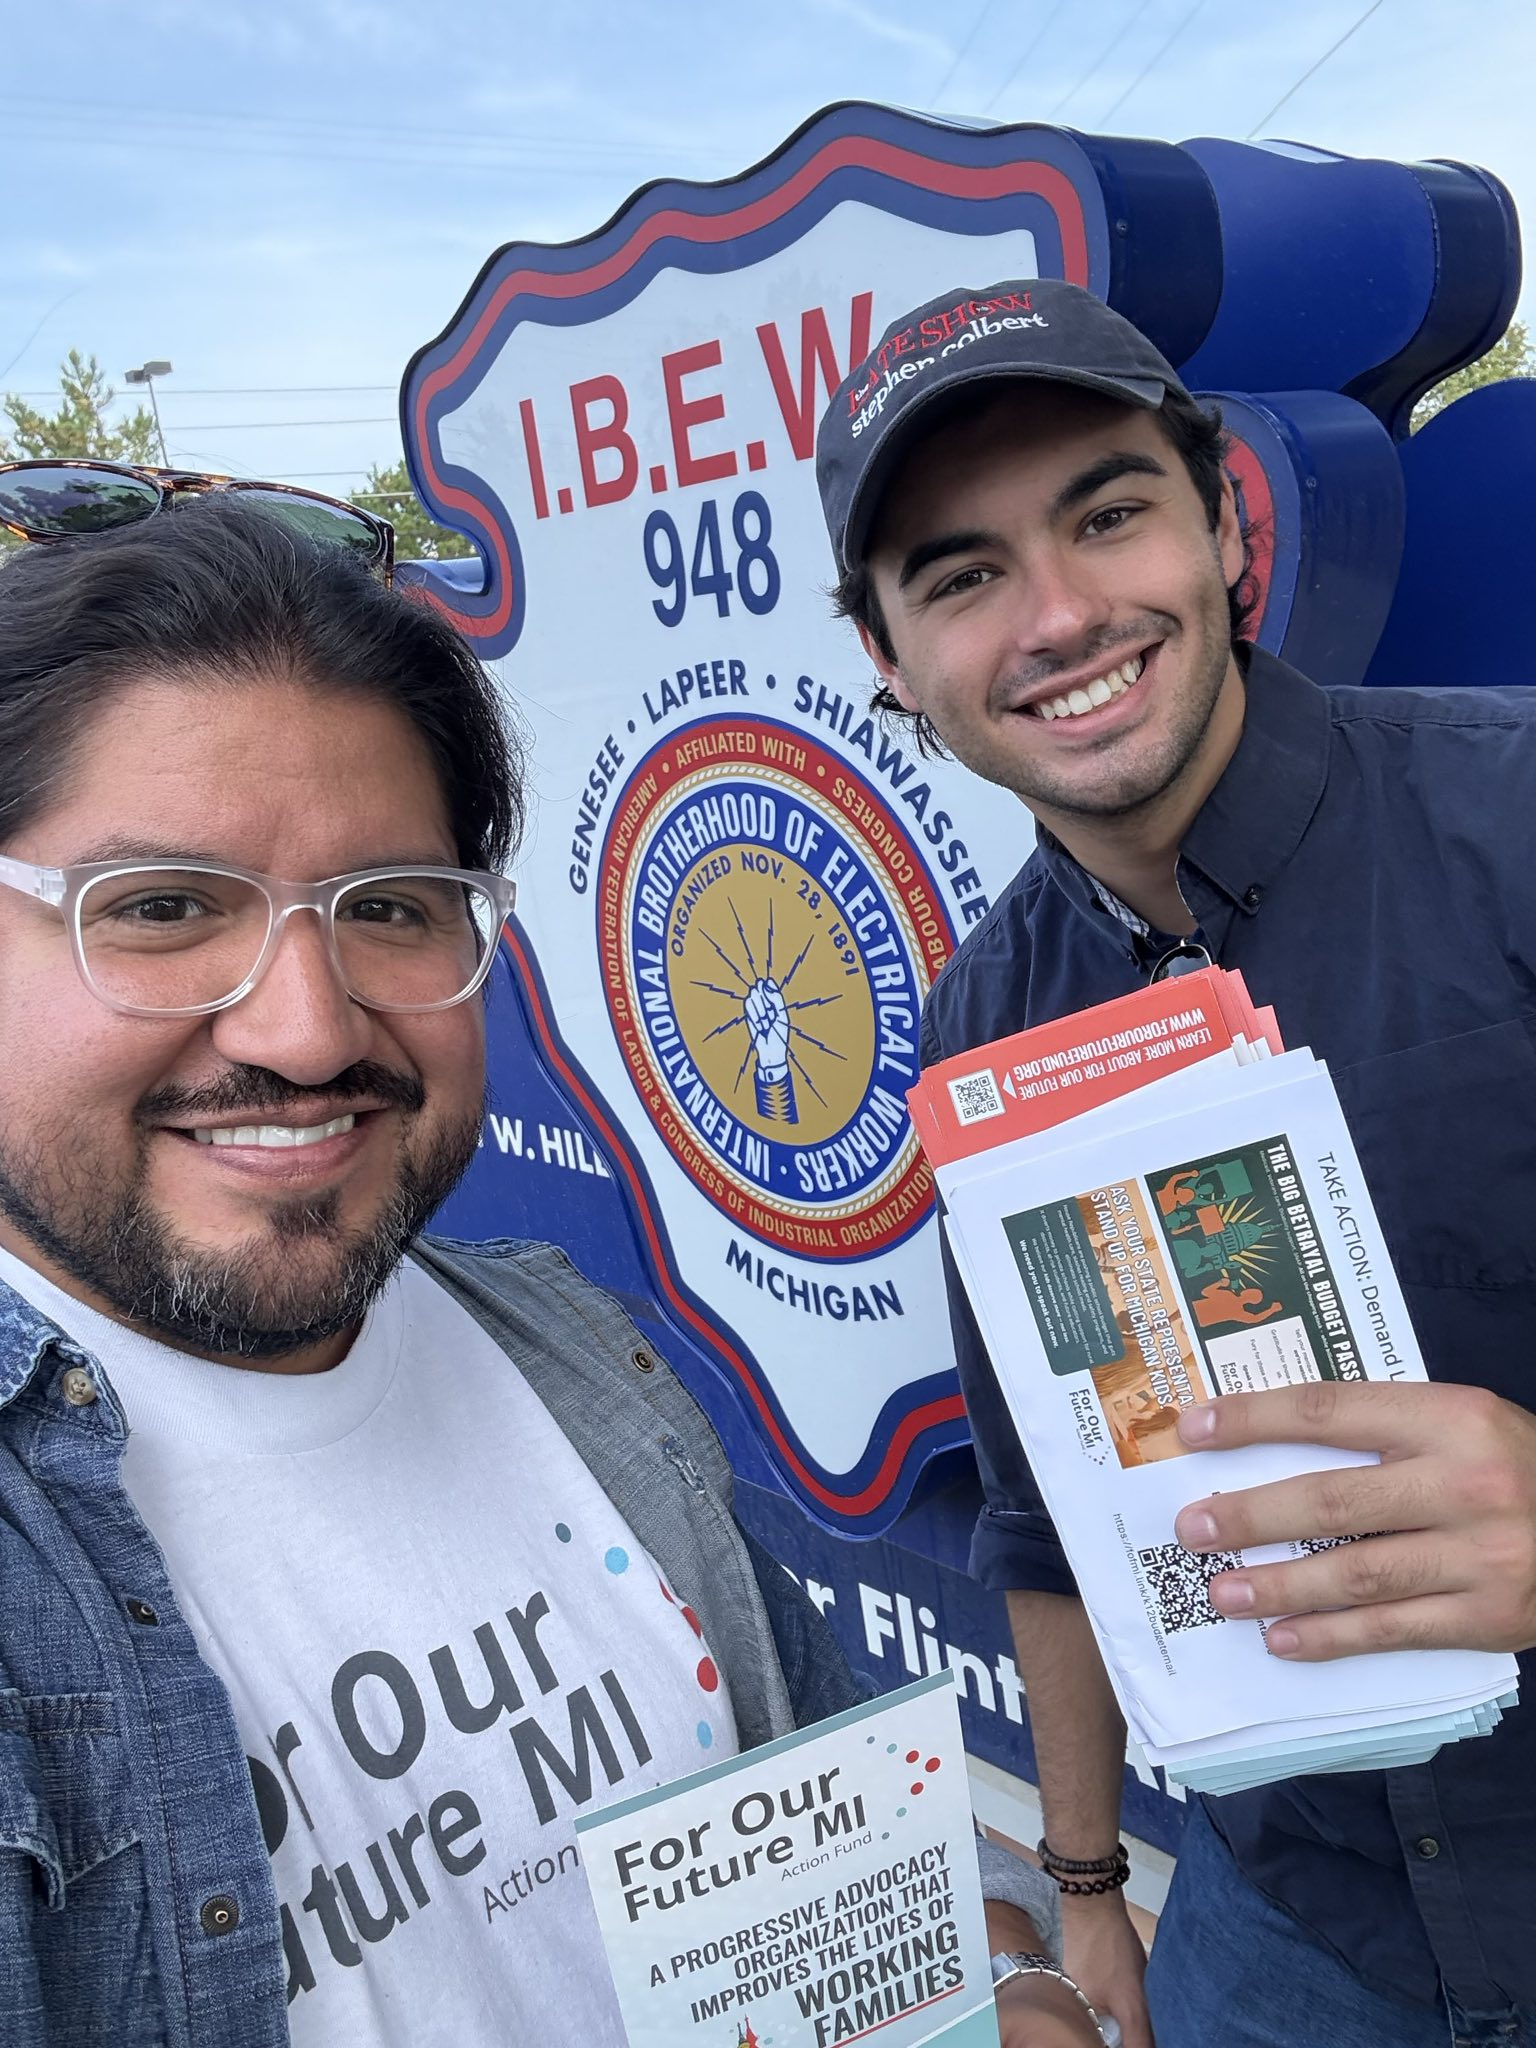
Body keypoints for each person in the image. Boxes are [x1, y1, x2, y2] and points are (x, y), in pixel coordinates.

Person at [0, 495, 1093, 2046]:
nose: (305, 1032)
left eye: (388, 909)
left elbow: (837, 1812)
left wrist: (1004, 1969)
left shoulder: (565, 1346)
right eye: (164, 909)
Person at [814, 278, 1536, 2048]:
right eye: (962, 573)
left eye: (1108, 511)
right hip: (1285, 1938)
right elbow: (1043, 1517)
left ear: (1223, 521)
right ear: (893, 667)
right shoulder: (977, 1031)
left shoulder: (1516, 822)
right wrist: (1084, 1889)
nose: (1059, 616)